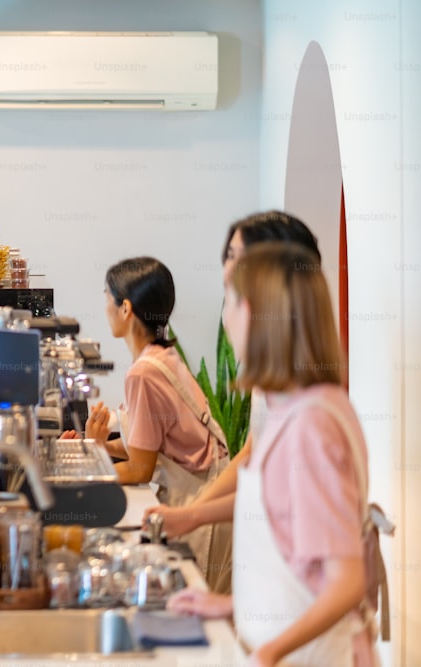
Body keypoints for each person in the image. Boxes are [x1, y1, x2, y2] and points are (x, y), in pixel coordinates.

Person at [168, 242, 374, 666]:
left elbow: (345, 583)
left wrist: (270, 652)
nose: (226, 319)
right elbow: (293, 553)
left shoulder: (310, 426)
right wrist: (231, 607)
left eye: (233, 303)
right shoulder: (300, 408)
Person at [143, 211, 321, 542]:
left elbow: (338, 579)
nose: (226, 319)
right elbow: (253, 455)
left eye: (237, 299)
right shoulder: (270, 386)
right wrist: (190, 514)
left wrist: (194, 514)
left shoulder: (314, 411)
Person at [72, 256, 229, 588]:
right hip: (206, 495)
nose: (104, 307)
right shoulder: (162, 357)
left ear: (126, 308)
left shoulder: (143, 372)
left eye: (106, 296)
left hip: (199, 504)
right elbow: (152, 441)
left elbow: (140, 469)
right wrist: (100, 446)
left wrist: (85, 478)